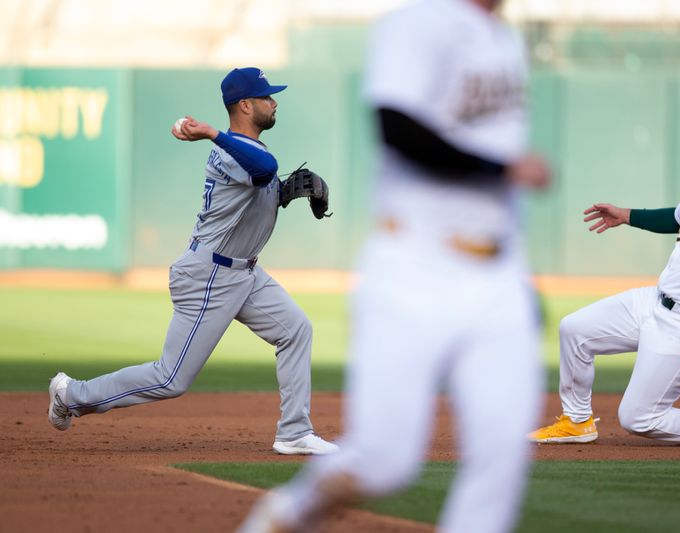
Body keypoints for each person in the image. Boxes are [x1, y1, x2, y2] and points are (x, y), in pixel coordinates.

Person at [235, 0, 551, 531]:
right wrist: (502, 168)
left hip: (497, 274)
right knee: (384, 463)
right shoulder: (416, 23)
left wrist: (516, 280)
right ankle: (287, 513)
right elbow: (397, 129)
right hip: (415, 266)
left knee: (501, 456)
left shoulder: (506, 40)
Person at [47, 67, 338, 456]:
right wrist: (212, 132)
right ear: (246, 105)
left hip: (244, 271)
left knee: (295, 329)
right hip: (211, 275)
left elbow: (259, 184)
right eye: (267, 97)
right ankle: (70, 394)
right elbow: (263, 170)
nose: (274, 102)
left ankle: (294, 431)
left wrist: (283, 194)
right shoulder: (228, 149)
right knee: (171, 378)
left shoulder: (243, 150)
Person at [530, 125, 680, 446]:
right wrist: (625, 215)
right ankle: (576, 422)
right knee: (574, 330)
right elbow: (674, 218)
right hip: (652, 302)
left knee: (637, 418)